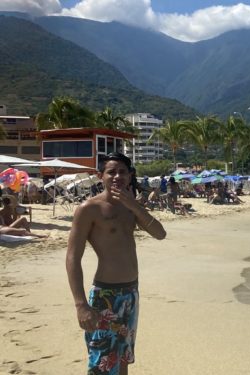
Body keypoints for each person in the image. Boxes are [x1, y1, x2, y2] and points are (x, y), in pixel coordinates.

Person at [66, 153, 166, 374]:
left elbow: (160, 234)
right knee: (102, 365)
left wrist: (134, 206)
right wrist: (81, 304)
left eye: (122, 171)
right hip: (105, 297)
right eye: (111, 171)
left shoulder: (130, 208)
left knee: (122, 359)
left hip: (131, 293)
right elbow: (73, 257)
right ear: (100, 175)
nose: (117, 176)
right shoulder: (89, 209)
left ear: (130, 176)